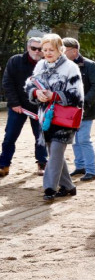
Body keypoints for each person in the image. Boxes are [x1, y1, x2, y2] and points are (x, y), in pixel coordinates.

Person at [24, 34, 84, 201]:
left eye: (52, 49)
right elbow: (29, 85)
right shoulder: (40, 65)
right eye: (45, 50)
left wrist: (54, 95)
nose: (48, 53)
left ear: (60, 50)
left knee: (56, 152)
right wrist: (37, 93)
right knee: (55, 153)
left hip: (65, 118)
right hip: (47, 118)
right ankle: (69, 186)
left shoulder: (71, 67)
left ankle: (49, 188)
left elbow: (77, 95)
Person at [1, 37, 47, 177]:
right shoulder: (15, 61)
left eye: (40, 49)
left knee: (41, 136)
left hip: (39, 107)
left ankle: (42, 163)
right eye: (34, 48)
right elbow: (7, 82)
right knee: (10, 136)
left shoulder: (47, 64)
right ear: (28, 48)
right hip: (18, 106)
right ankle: (4, 164)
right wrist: (14, 103)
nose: (37, 51)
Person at [62, 38, 95, 182]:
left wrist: (84, 101)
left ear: (74, 51)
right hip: (68, 110)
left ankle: (91, 170)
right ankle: (80, 167)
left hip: (85, 110)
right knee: (74, 140)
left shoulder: (90, 65)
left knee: (84, 139)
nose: (61, 53)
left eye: (64, 50)